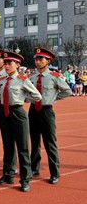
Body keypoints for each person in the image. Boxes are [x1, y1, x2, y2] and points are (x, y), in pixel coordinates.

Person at [0, 51, 41, 192]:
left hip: (18, 113)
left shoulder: (22, 79)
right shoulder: (2, 79)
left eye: (10, 63)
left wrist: (23, 100)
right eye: (6, 63)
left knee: (23, 147)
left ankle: (26, 179)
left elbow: (36, 96)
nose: (7, 65)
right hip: (4, 112)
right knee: (8, 146)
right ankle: (7, 175)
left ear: (17, 64)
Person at [29, 47, 72, 184]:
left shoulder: (54, 77)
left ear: (48, 60)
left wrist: (54, 98)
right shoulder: (31, 77)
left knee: (50, 143)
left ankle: (54, 173)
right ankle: (34, 168)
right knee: (34, 142)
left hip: (46, 111)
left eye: (41, 59)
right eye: (36, 59)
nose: (38, 62)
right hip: (33, 110)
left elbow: (67, 91)